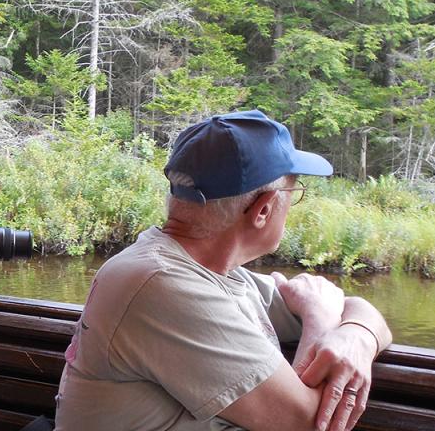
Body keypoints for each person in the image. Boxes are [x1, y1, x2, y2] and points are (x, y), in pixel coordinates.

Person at [55, 110, 392, 431]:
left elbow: (358, 307)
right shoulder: (161, 284)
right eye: (295, 192)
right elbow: (308, 423)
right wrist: (319, 318)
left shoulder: (218, 272)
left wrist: (357, 337)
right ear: (263, 210)